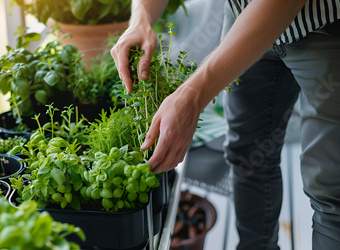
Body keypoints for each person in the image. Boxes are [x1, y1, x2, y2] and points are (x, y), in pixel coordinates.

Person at [111, 0, 340, 249]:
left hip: (321, 26)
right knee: (247, 155)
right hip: (244, 15)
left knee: (330, 192)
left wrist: (193, 95)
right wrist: (140, 18)